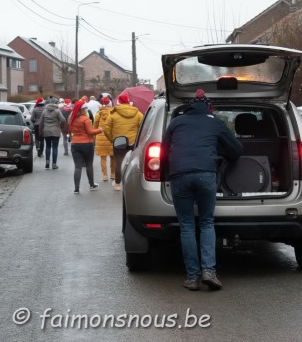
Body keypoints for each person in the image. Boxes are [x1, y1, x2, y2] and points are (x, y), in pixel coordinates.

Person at [161, 89, 243, 291]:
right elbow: (236, 150)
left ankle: (192, 277)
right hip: (206, 174)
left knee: (187, 225)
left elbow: (163, 152)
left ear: (189, 107)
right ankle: (209, 271)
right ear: (209, 107)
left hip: (179, 175)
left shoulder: (175, 122)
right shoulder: (215, 122)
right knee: (206, 222)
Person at [103, 93, 143, 191]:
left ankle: (117, 183)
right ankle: (134, 183)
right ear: (128, 101)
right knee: (135, 162)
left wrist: (113, 139)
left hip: (119, 142)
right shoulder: (138, 113)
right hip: (133, 142)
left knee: (119, 163)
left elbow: (106, 129)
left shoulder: (113, 114)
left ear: (119, 102)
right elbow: (143, 127)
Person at [68, 100, 103, 194]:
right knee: (89, 165)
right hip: (87, 144)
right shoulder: (85, 119)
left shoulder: (72, 118)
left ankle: (76, 188)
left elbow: (71, 130)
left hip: (75, 144)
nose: (86, 109)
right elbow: (90, 132)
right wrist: (99, 130)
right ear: (82, 109)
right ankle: (91, 184)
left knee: (78, 167)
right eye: (85, 108)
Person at [39, 97, 65, 169]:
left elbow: (41, 122)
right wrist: (61, 126)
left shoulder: (44, 111)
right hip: (55, 131)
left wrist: (40, 131)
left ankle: (47, 161)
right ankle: (54, 164)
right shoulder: (57, 111)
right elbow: (63, 120)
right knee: (55, 147)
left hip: (46, 131)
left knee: (47, 146)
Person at [93, 96, 115, 182]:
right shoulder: (113, 113)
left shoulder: (98, 114)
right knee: (113, 157)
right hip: (111, 137)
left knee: (103, 158)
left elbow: (95, 125)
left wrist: (95, 136)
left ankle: (105, 175)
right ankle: (112, 173)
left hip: (100, 136)